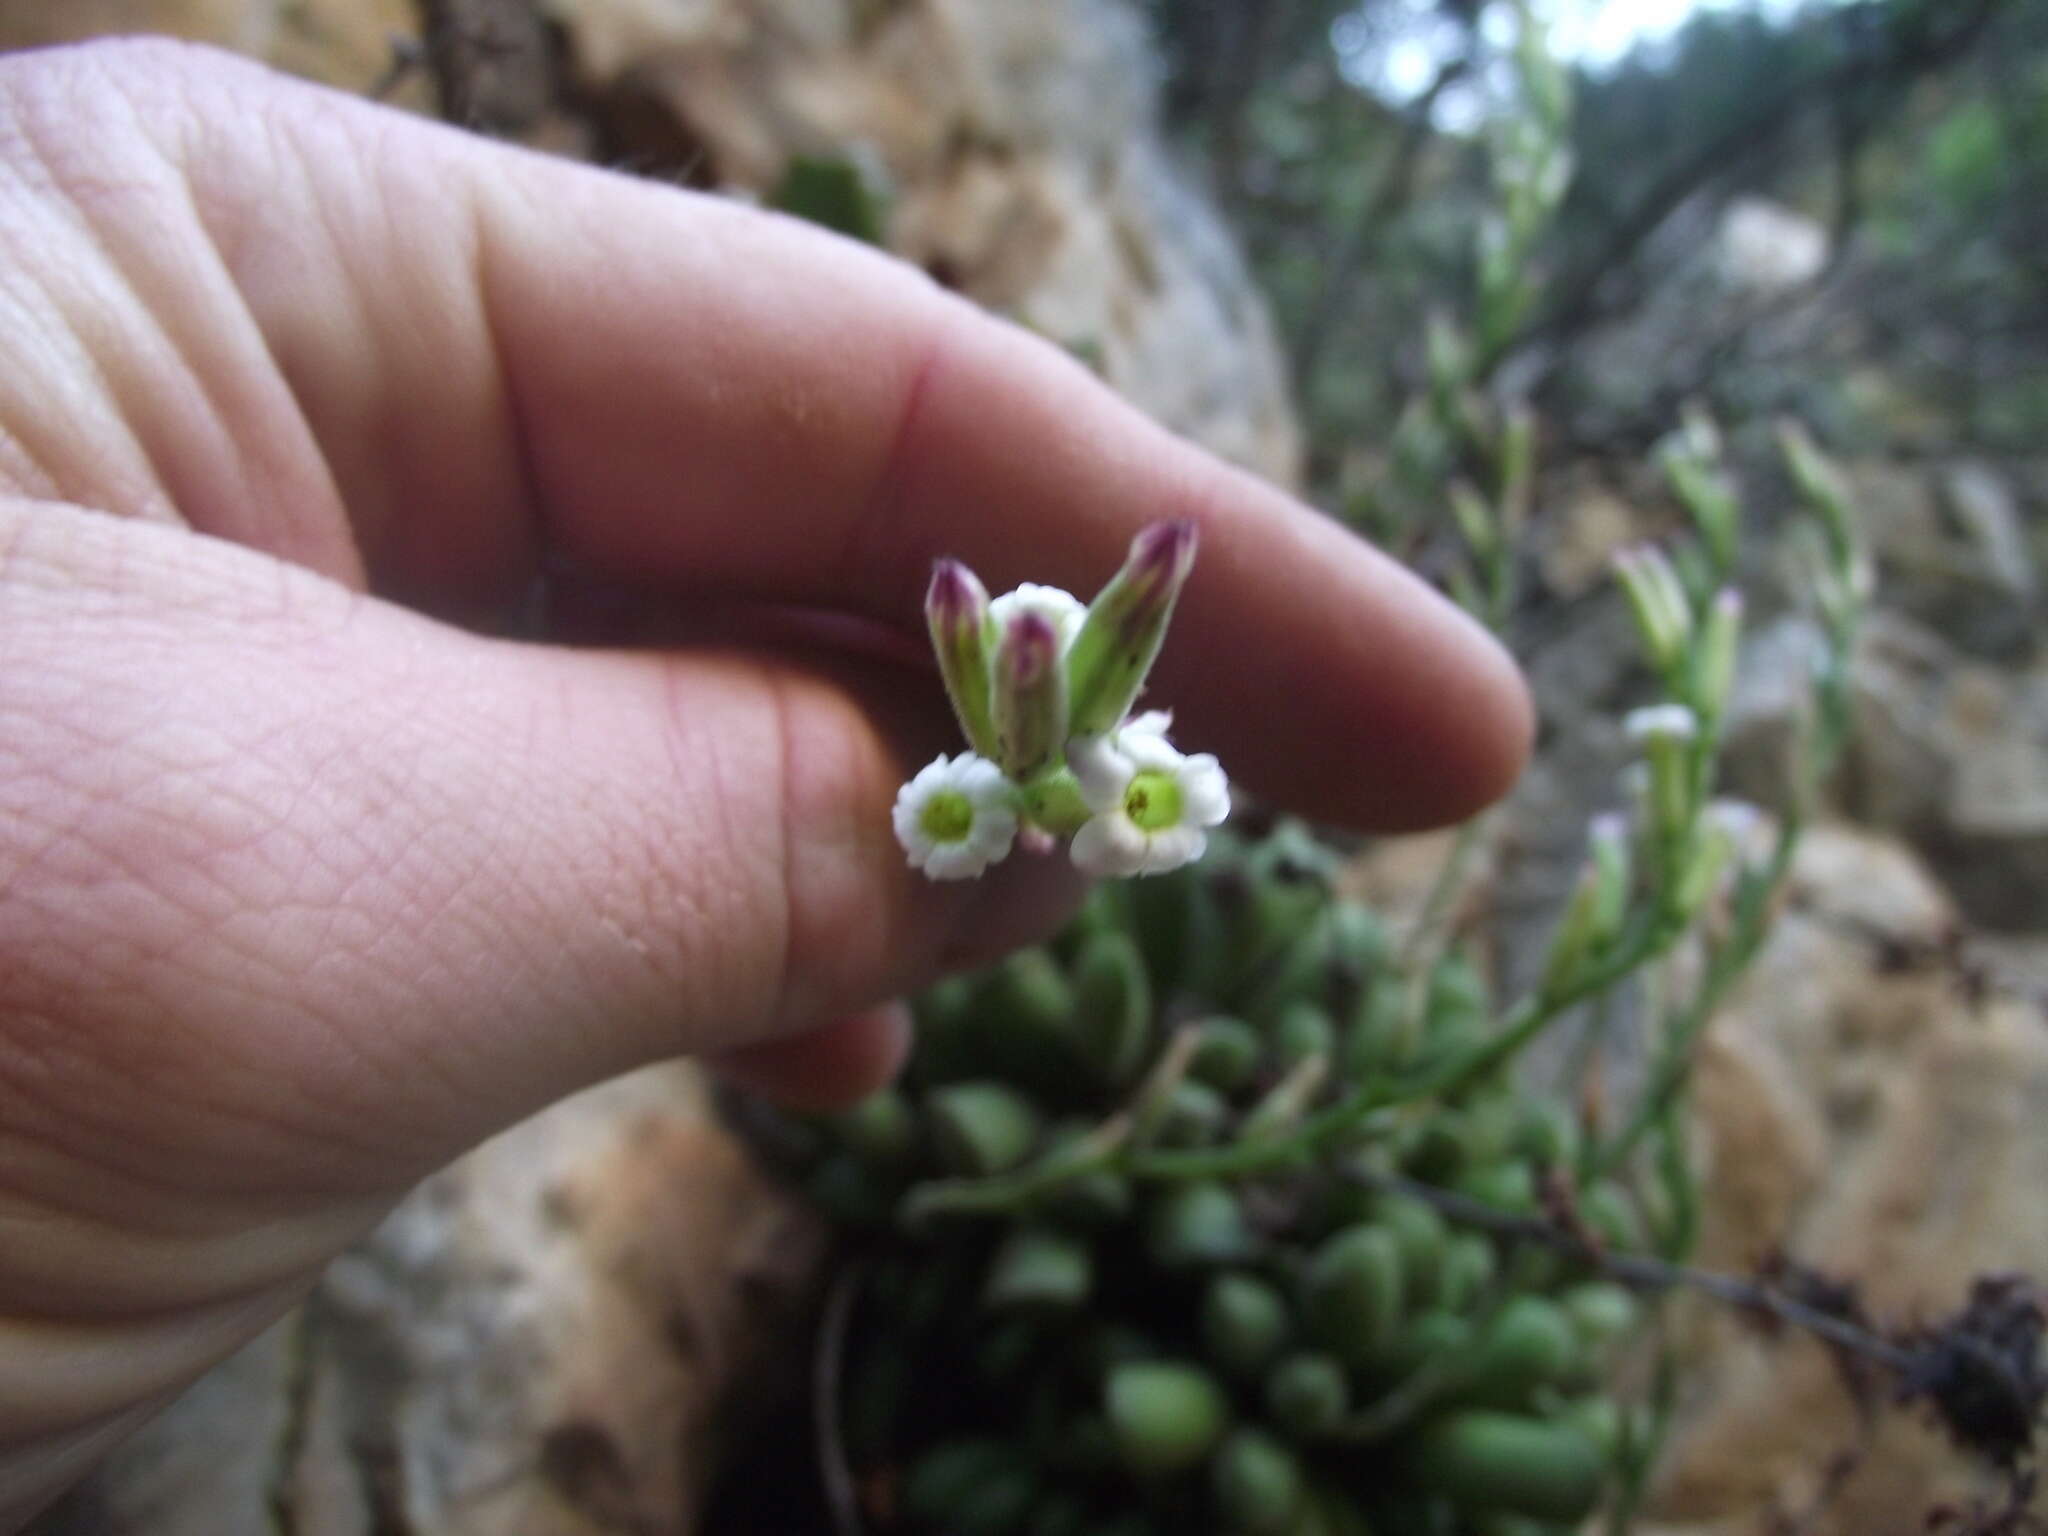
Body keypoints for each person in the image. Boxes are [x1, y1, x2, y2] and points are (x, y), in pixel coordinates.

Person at [0, 37, 1532, 1526]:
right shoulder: (988, 792)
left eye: (1133, 797)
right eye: (1133, 796)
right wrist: (950, 807)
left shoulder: (1086, 764)